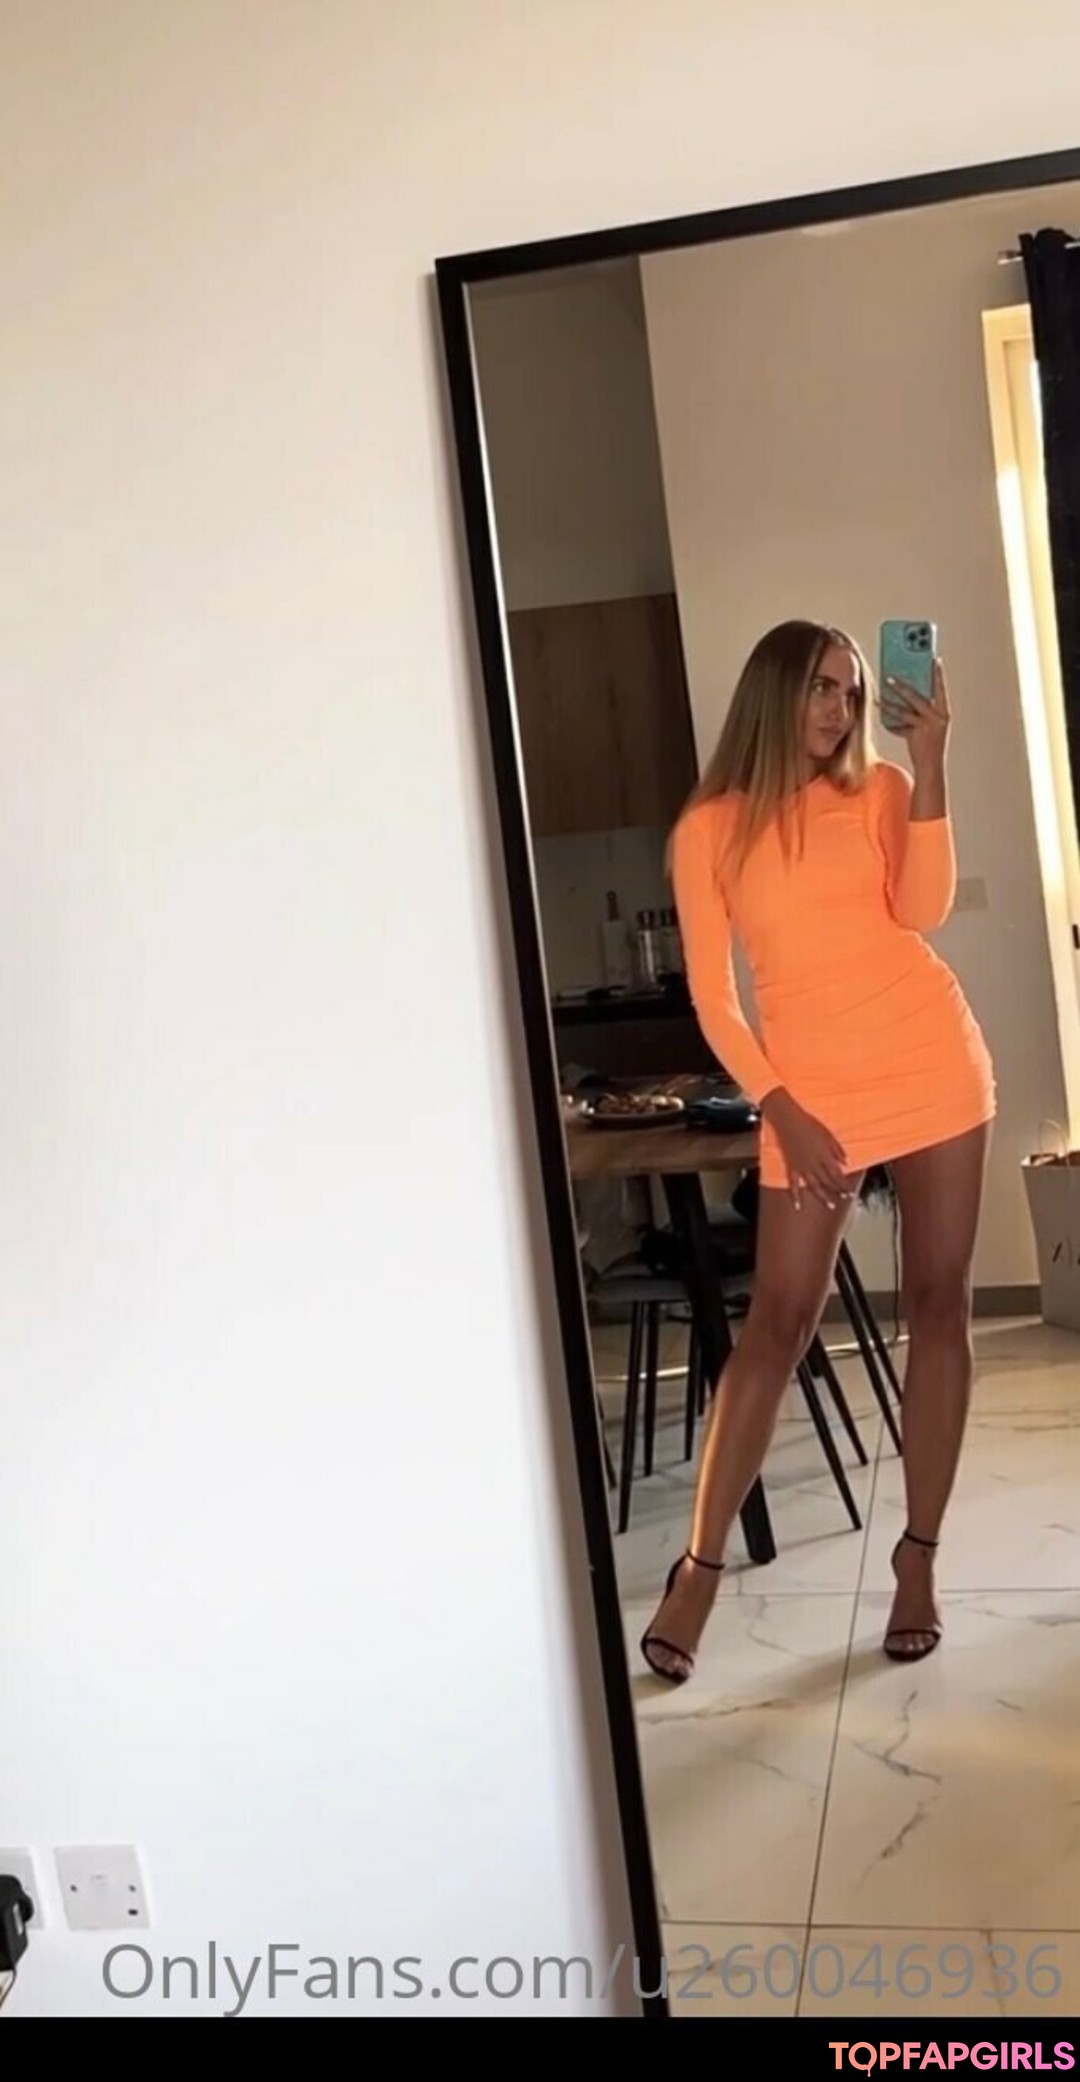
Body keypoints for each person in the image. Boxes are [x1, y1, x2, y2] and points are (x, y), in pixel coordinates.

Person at [640, 620, 994, 1684]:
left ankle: (918, 1556)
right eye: (822, 689)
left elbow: (923, 910)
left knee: (940, 1302)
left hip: (930, 1061)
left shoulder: (880, 790)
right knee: (779, 1325)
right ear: (774, 694)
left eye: (850, 690)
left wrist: (931, 761)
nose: (840, 710)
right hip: (809, 1095)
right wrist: (780, 1107)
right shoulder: (709, 828)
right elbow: (714, 998)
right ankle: (700, 1567)